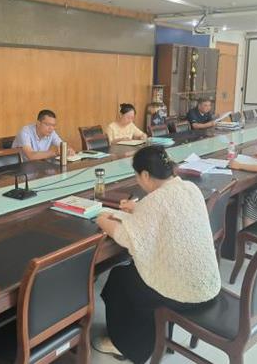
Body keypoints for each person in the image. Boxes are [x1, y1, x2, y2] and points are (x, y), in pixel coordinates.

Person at [94, 146, 221, 363]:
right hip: (207, 283)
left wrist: (101, 218)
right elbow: (165, 212)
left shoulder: (155, 200)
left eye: (137, 176)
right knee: (130, 274)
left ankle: (126, 345)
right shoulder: (189, 188)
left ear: (145, 174)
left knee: (119, 279)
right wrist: (138, 208)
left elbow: (125, 236)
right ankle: (146, 334)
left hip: (185, 293)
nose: (138, 181)